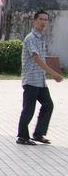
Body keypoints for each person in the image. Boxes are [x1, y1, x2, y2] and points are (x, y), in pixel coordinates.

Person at [16, 10, 62, 145]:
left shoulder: (41, 38)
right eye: (41, 19)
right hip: (31, 80)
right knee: (29, 109)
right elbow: (36, 59)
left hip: (40, 81)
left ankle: (38, 134)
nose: (43, 22)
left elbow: (41, 59)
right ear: (34, 21)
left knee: (48, 105)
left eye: (46, 20)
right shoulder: (30, 38)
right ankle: (22, 137)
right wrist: (53, 73)